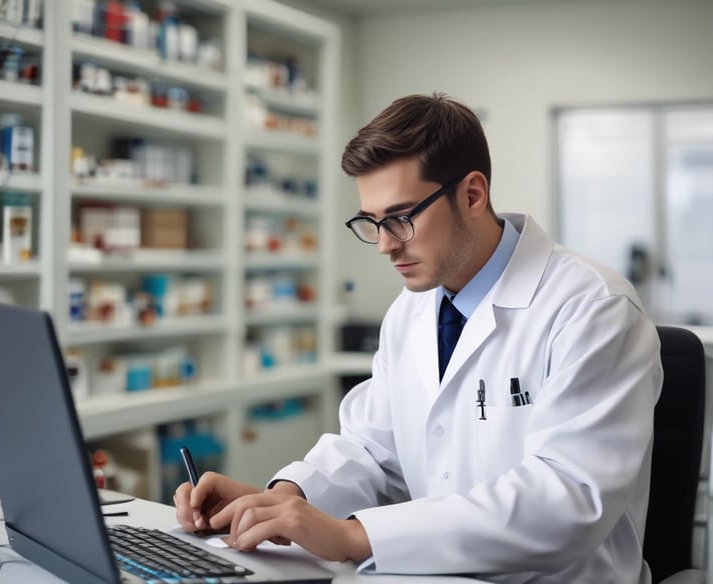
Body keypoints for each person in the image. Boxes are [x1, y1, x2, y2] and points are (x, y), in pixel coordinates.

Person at [174, 93, 662, 582]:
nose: (385, 244)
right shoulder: (411, 310)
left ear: (472, 195)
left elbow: (567, 498)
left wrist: (353, 536)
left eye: (401, 217)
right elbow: (371, 449)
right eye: (372, 222)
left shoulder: (591, 308)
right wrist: (285, 498)